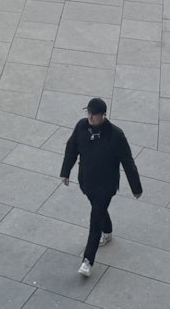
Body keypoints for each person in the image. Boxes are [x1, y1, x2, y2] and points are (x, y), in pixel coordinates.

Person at [59, 97, 143, 277]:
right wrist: (65, 172)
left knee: (95, 220)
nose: (90, 117)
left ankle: (87, 260)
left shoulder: (115, 135)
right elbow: (72, 148)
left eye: (94, 115)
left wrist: (136, 187)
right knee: (98, 210)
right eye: (88, 113)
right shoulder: (81, 127)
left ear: (103, 115)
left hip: (106, 186)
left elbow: (127, 162)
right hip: (87, 182)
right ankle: (108, 231)